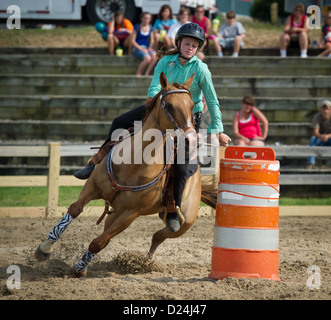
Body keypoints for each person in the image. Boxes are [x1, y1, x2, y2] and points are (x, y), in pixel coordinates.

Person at [74, 23, 231, 232]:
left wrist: (218, 130)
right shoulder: (166, 61)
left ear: (198, 48)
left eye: (194, 45)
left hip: (187, 118)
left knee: (182, 163)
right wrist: (157, 105)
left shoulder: (201, 69)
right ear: (179, 43)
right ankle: (95, 163)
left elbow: (212, 100)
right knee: (119, 122)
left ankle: (172, 208)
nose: (190, 47)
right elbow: (154, 87)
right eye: (187, 43)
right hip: (161, 108)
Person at [307, 100, 331, 167]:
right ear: (321, 109)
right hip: (320, 139)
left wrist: (327, 136)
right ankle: (310, 163)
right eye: (324, 109)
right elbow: (315, 132)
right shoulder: (317, 117)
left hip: (329, 139)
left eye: (327, 109)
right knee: (313, 139)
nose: (325, 111)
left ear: (330, 110)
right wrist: (322, 136)